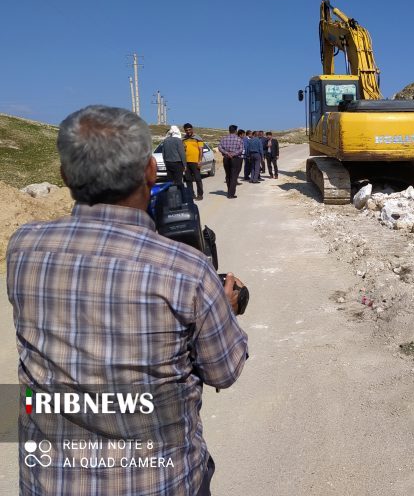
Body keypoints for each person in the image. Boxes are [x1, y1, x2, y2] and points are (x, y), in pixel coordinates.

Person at [6, 105, 248, 496]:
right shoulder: (187, 269)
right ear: (150, 172)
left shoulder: (23, 247)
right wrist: (223, 309)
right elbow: (224, 371)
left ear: (65, 176)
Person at [219, 124, 243, 199]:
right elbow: (241, 149)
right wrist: (233, 154)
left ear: (229, 130)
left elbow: (220, 147)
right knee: (234, 176)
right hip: (235, 158)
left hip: (226, 158)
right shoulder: (239, 139)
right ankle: (231, 194)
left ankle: (229, 190)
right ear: (236, 131)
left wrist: (227, 153)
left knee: (228, 175)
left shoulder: (224, 138)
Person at [183, 122, 205, 200]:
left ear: (192, 129)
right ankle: (191, 195)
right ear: (184, 131)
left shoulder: (198, 138)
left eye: (189, 129)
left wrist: (200, 161)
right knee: (188, 180)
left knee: (198, 179)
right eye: (186, 130)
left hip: (195, 162)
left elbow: (201, 150)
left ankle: (200, 195)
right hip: (186, 162)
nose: (188, 131)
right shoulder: (183, 139)